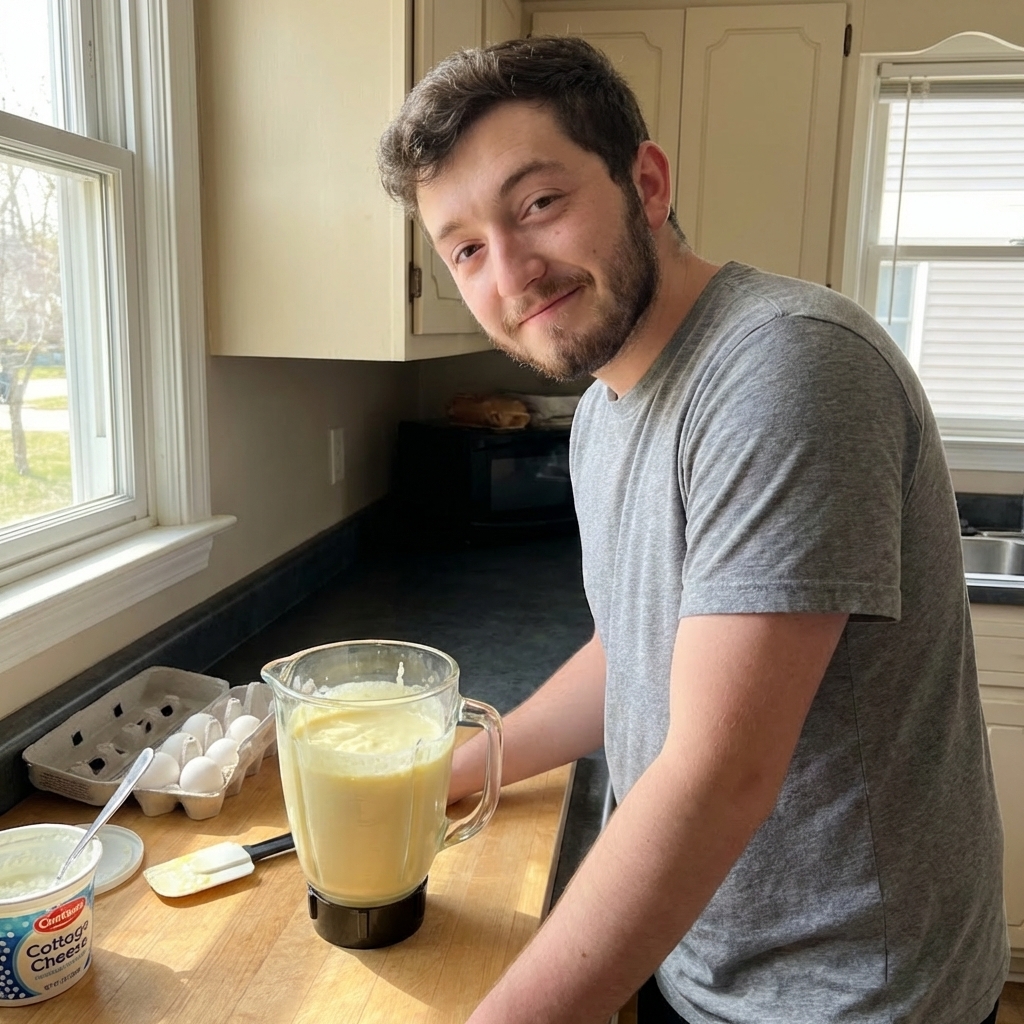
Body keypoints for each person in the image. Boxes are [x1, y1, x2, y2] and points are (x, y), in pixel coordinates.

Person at [378, 36, 1008, 1024]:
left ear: (647, 181)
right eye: (463, 247)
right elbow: (634, 653)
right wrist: (461, 766)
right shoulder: (601, 416)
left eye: (537, 204)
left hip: (848, 996)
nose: (509, 270)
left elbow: (720, 774)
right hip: (698, 955)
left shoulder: (786, 368)